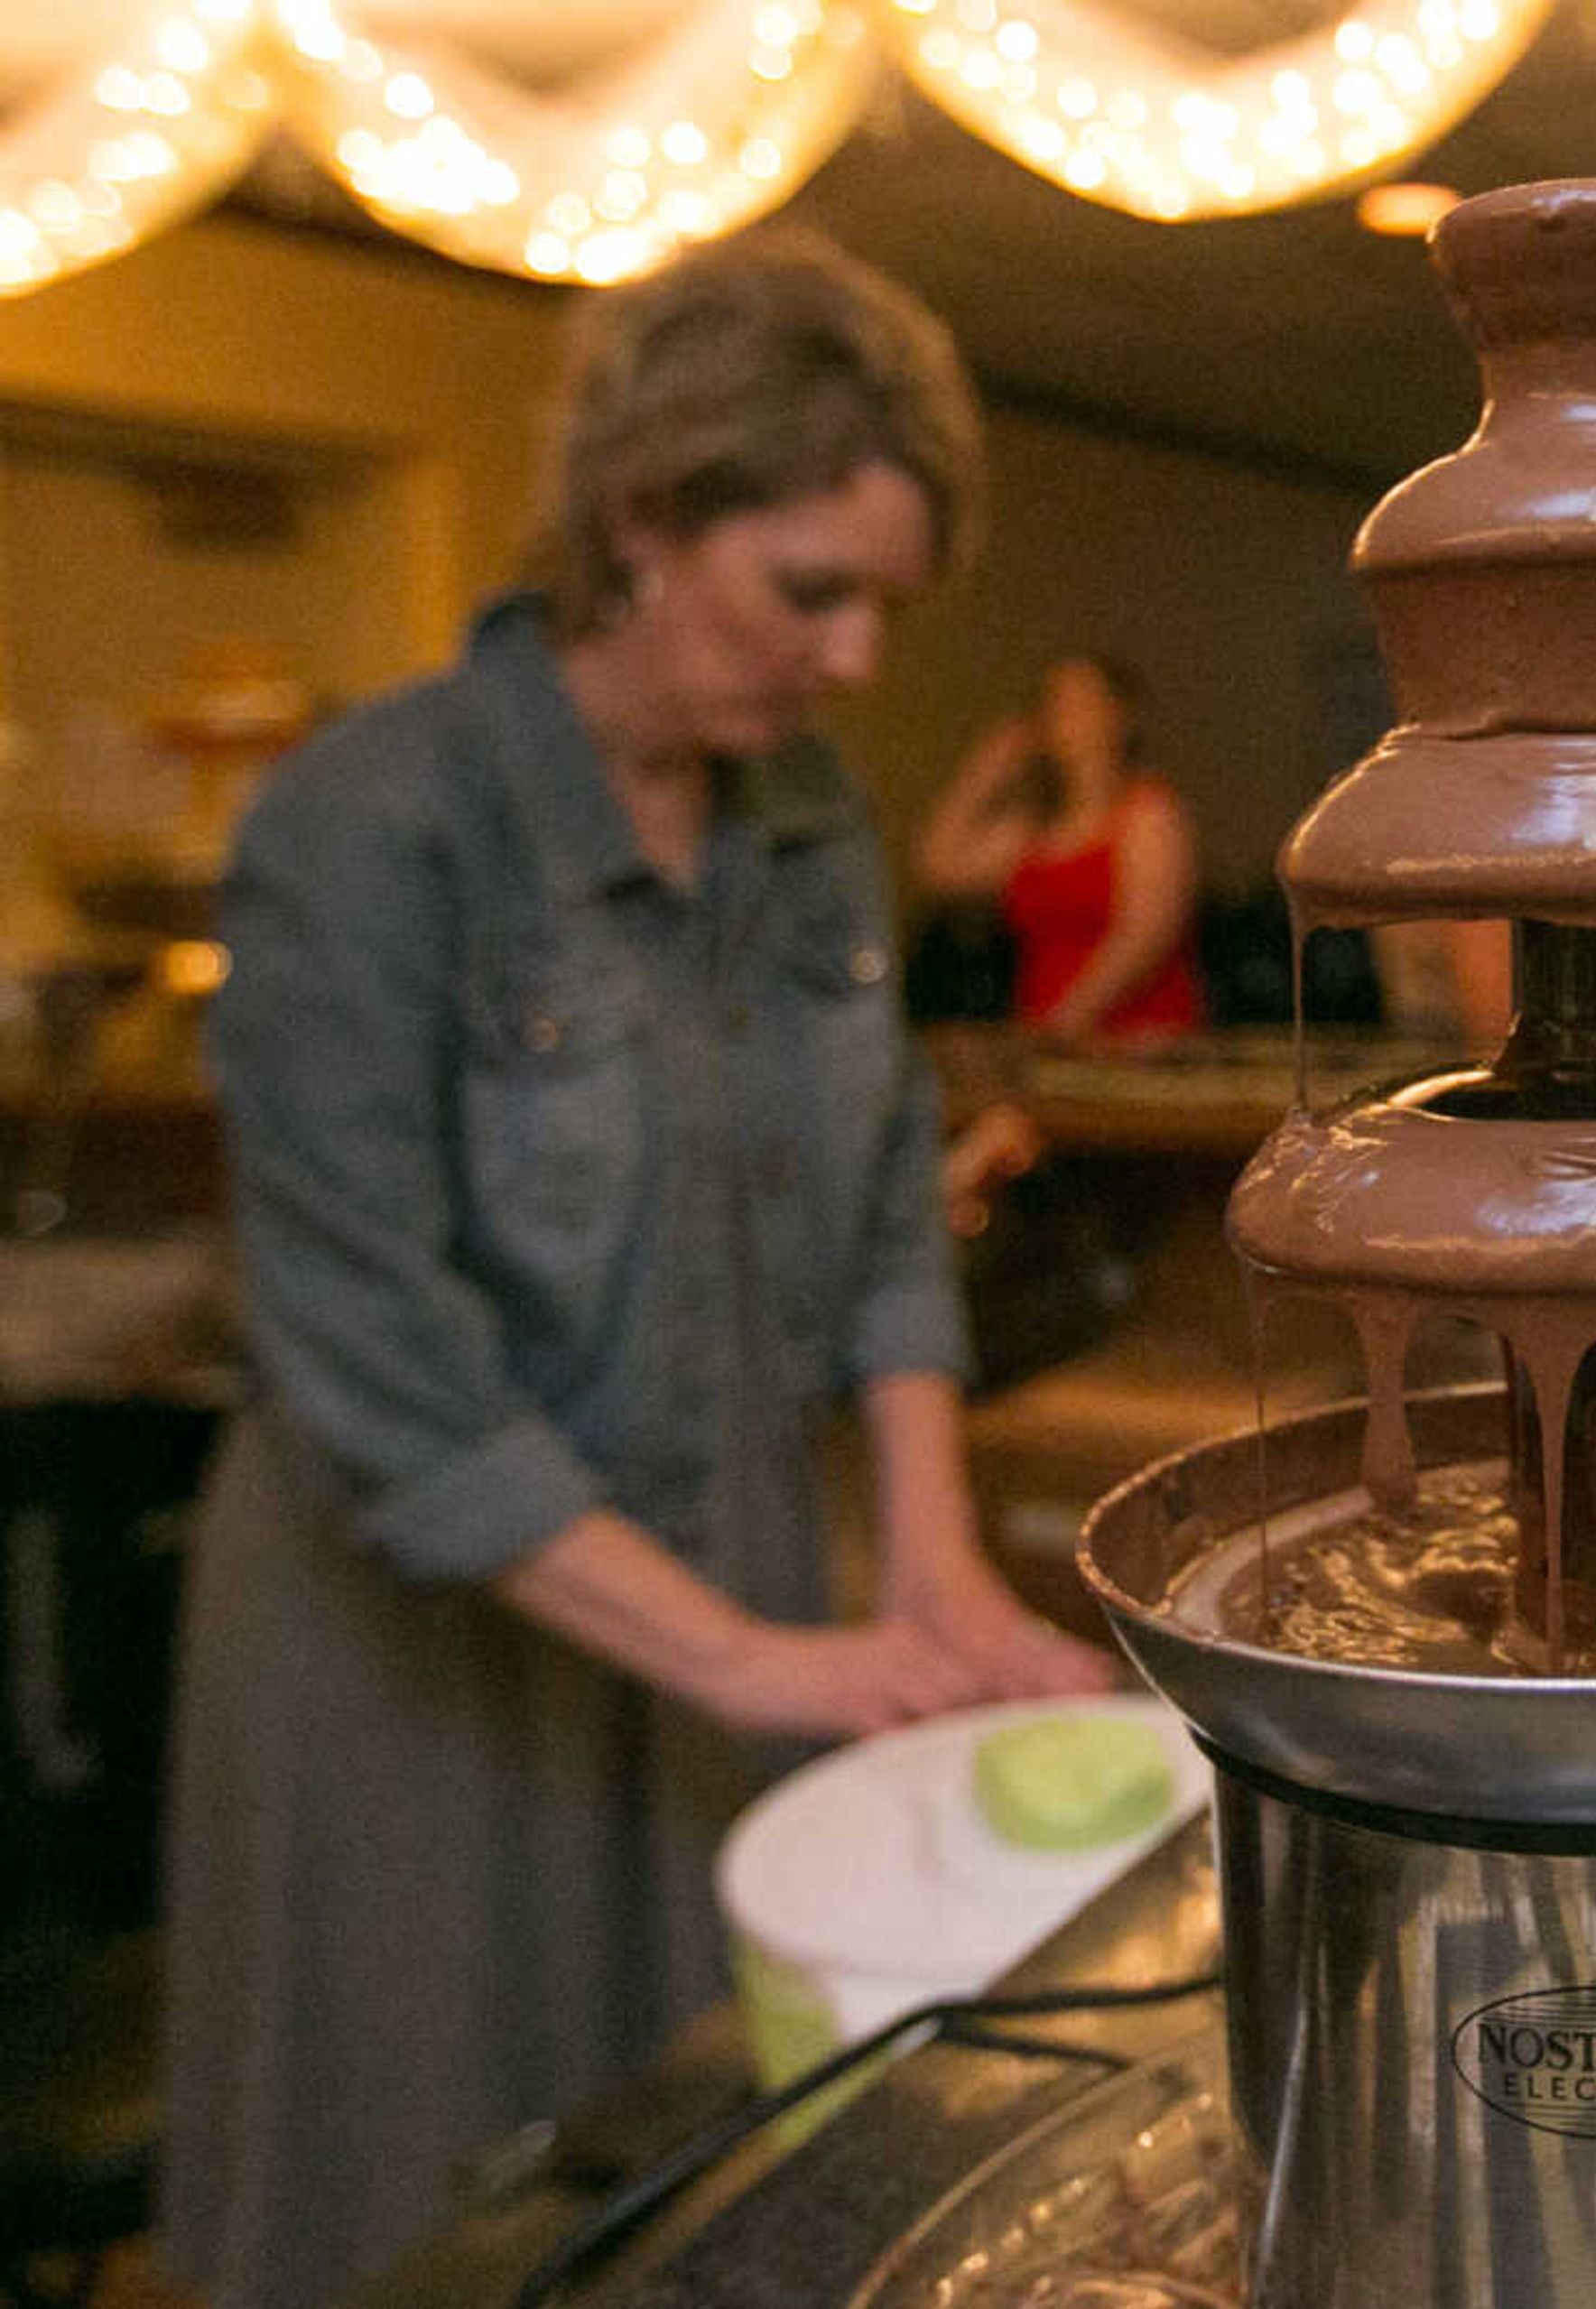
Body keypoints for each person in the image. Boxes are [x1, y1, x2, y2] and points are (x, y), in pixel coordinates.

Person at [162, 234, 1115, 2309]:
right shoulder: (369, 823)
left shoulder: (804, 821)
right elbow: (377, 1356)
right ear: (641, 518)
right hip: (420, 1638)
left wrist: (933, 1571)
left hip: (727, 1565)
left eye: (884, 602)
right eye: (812, 592)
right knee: (429, 2207)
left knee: (700, 2167)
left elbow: (878, 1217)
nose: (859, 659)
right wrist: (755, 1662)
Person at [917, 650, 1204, 1043]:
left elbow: (1146, 933)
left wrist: (1070, 1016)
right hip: (1046, 1035)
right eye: (1056, 701)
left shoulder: (1148, 810)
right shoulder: (1033, 826)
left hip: (1135, 1039)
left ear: (1121, 715)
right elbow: (939, 867)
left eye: (1084, 701)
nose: (1068, 715)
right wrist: (984, 774)